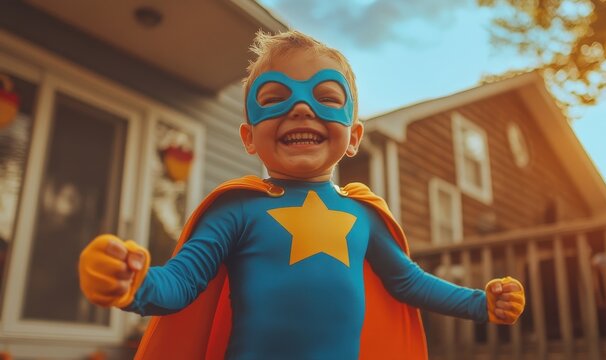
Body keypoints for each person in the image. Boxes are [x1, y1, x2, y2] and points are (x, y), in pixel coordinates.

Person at [79, 30, 525, 360]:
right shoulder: (237, 208)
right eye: (275, 97)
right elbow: (180, 285)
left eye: (326, 97)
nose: (300, 107)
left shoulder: (363, 214)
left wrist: (480, 303)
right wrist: (133, 283)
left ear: (353, 137)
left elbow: (408, 281)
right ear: (249, 136)